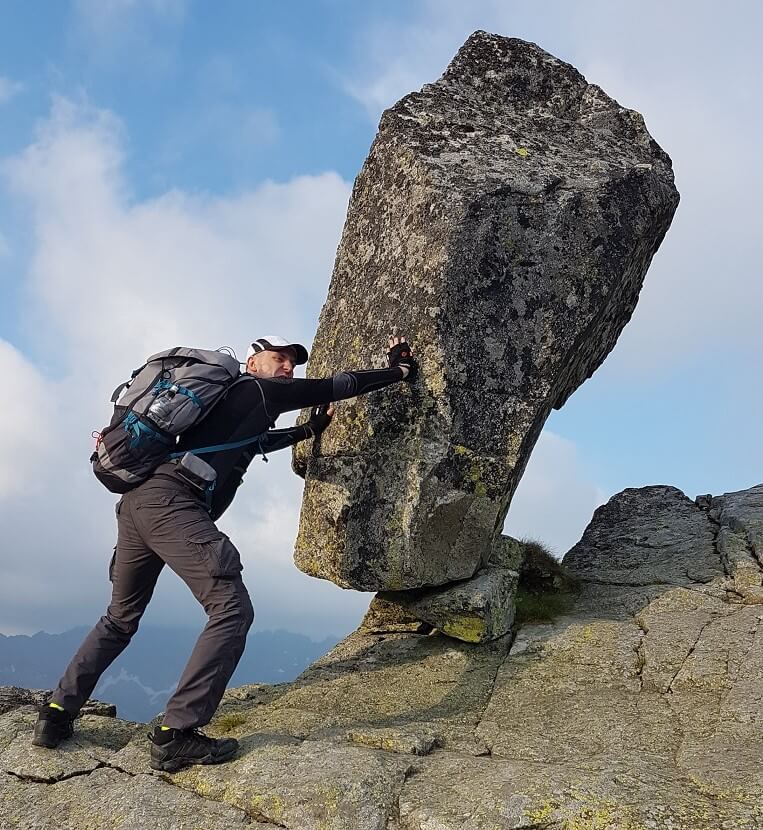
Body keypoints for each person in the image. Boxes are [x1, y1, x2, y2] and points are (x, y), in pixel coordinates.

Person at [32, 333, 418, 771]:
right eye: (279, 358)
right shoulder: (261, 389)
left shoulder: (228, 401)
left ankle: (56, 713)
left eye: (292, 363)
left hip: (138, 504)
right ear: (253, 363)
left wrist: (308, 431)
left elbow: (252, 444)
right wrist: (398, 369)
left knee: (119, 618)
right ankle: (176, 734)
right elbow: (339, 385)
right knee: (231, 609)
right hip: (174, 504)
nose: (288, 368)